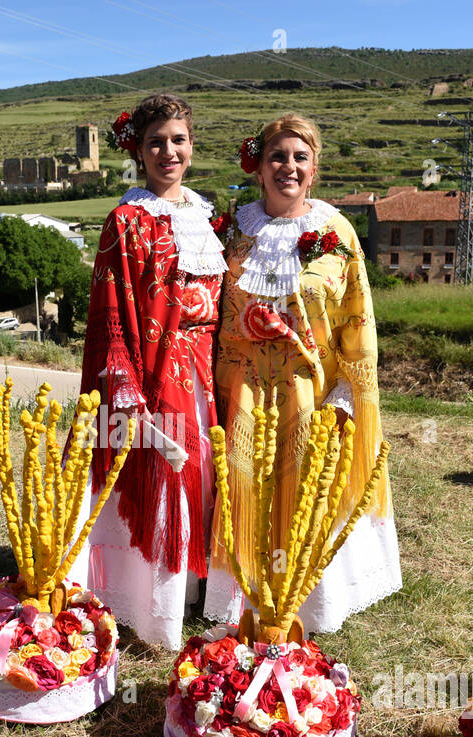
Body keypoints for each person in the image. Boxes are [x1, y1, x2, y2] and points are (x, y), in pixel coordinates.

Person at [202, 113, 402, 633]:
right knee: (246, 491)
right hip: (243, 391)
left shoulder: (337, 232)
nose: (287, 166)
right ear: (259, 166)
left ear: (313, 170)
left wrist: (348, 393)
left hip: (309, 389)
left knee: (304, 492)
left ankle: (307, 605)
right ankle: (245, 603)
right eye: (277, 156)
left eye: (299, 157)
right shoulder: (230, 230)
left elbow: (358, 319)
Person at [71, 94, 227, 651]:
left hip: (210, 365)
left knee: (210, 475)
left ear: (192, 144)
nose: (169, 151)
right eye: (156, 141)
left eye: (178, 139)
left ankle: (201, 591)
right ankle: (157, 604)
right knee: (170, 473)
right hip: (157, 369)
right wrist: (129, 395)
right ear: (136, 149)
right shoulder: (127, 220)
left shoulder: (208, 217)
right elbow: (112, 313)